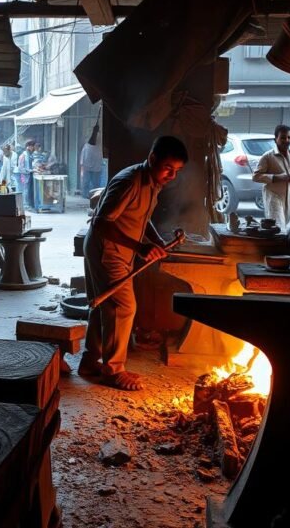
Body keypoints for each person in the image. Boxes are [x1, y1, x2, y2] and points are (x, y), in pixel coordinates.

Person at [79, 135, 188, 390]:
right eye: (168, 168)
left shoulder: (152, 183)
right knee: (123, 307)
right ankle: (113, 370)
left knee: (104, 304)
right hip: (107, 250)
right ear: (152, 159)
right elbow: (103, 223)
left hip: (117, 250)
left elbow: (141, 218)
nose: (171, 175)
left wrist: (156, 241)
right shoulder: (130, 181)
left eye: (177, 171)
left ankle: (89, 362)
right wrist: (140, 247)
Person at [253, 124, 290, 229]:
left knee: (284, 225)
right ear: (276, 139)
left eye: (289, 137)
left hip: (289, 198)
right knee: (278, 227)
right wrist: (278, 177)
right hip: (273, 197)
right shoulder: (268, 156)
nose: (286, 140)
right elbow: (256, 176)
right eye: (283, 137)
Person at [80, 129, 104, 196]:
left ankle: (95, 195)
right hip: (88, 168)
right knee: (86, 183)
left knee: (95, 184)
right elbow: (83, 158)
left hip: (95, 168)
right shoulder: (86, 146)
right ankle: (85, 195)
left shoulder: (99, 147)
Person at [18, 140, 37, 208]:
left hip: (29, 175)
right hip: (25, 176)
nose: (33, 148)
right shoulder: (23, 156)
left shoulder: (30, 155)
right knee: (25, 191)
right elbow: (21, 168)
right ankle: (25, 205)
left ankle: (30, 204)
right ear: (28, 146)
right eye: (32, 147)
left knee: (29, 191)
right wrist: (30, 171)